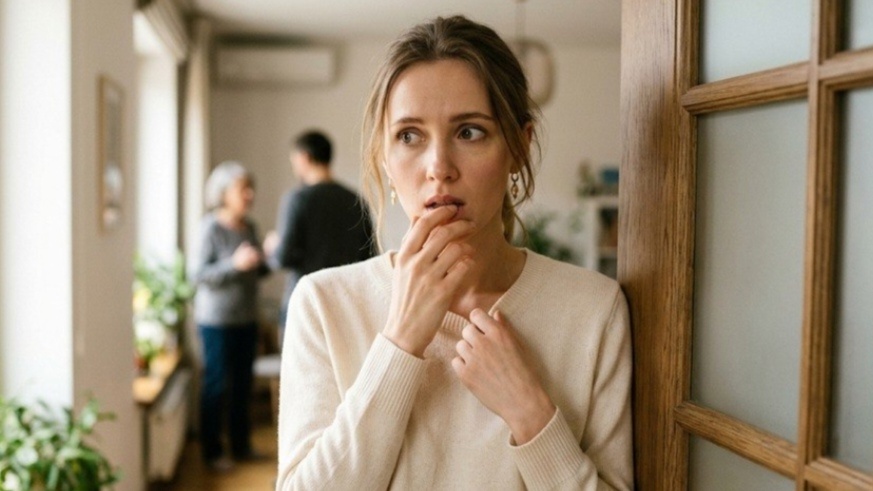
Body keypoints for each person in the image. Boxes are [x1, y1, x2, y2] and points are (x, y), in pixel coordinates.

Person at [276, 15, 633, 491]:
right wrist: (401, 340)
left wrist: (531, 413)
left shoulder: (594, 310)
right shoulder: (323, 304)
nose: (438, 167)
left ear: (518, 148)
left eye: (469, 132)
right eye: (409, 135)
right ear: (385, 157)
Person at [193, 161, 270, 472]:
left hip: (247, 319)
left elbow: (259, 272)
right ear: (224, 193)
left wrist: (266, 256)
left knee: (242, 385)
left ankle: (241, 446)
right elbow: (198, 275)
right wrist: (234, 265)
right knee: (216, 385)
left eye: (251, 188)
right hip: (216, 322)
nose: (250, 194)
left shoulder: (250, 227)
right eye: (243, 189)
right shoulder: (210, 228)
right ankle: (212, 452)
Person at [264, 130, 376, 329]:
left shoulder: (297, 199)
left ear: (304, 157)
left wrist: (273, 245)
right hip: (344, 304)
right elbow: (369, 257)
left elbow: (283, 258)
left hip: (305, 303)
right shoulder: (355, 201)